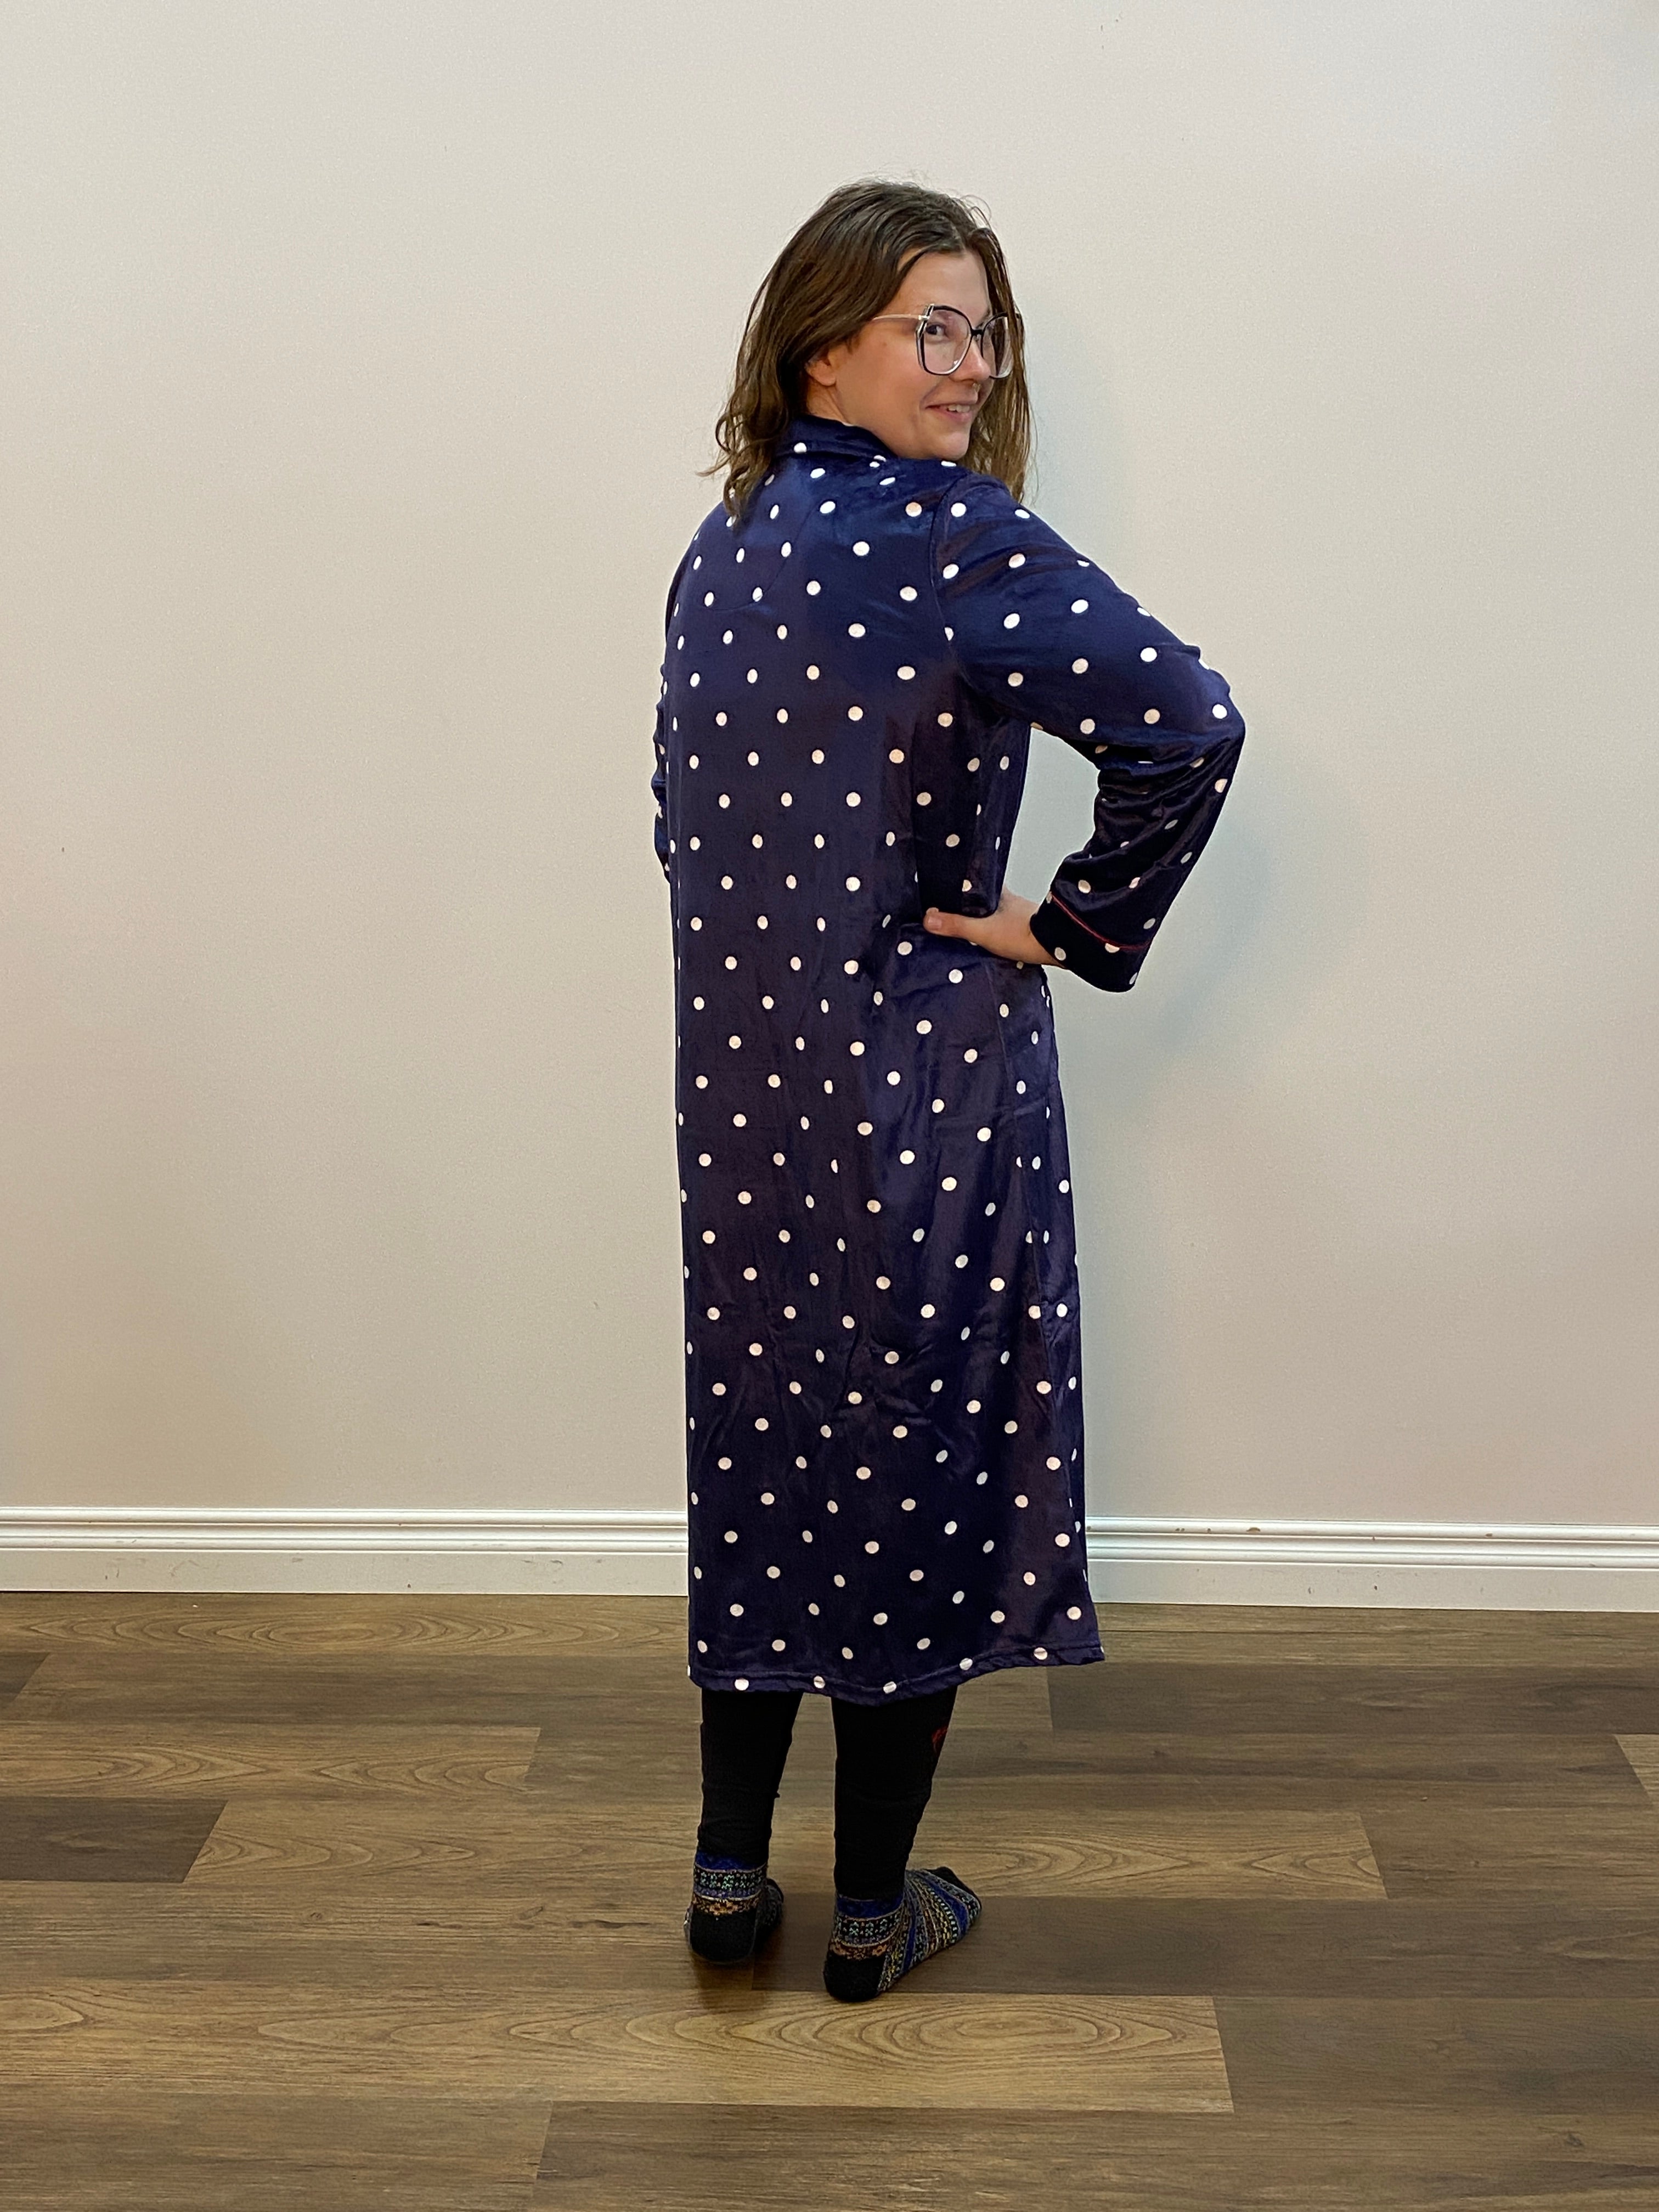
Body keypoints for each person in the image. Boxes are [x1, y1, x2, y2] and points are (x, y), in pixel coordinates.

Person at [650, 179, 1246, 2001]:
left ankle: (732, 1882)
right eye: (935, 324)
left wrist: (1033, 920)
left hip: (744, 1102)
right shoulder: (955, 539)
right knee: (906, 1468)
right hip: (921, 1095)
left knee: (766, 1456)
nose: (971, 366)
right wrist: (1066, 927)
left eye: (987, 330)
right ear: (822, 343)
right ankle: (865, 1914)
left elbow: (682, 830)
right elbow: (1191, 721)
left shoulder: (724, 549)